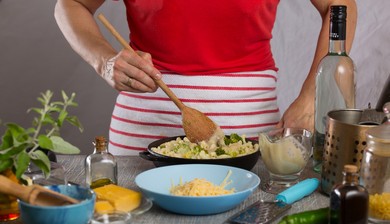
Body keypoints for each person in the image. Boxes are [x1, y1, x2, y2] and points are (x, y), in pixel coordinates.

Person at [54, 0, 357, 155]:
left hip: (247, 142)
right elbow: (71, 4)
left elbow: (340, 6)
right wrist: (105, 61)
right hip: (142, 138)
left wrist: (310, 98)